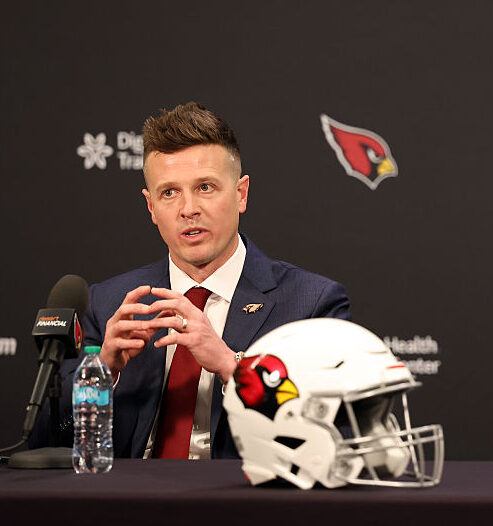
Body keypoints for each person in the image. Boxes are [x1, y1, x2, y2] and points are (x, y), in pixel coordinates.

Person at [32, 102, 350, 459]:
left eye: (205, 187)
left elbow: (338, 438)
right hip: (127, 506)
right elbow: (44, 443)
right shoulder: (109, 303)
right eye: (169, 192)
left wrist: (233, 367)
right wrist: (102, 372)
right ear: (150, 206)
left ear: (241, 194)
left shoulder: (310, 303)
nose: (188, 209)